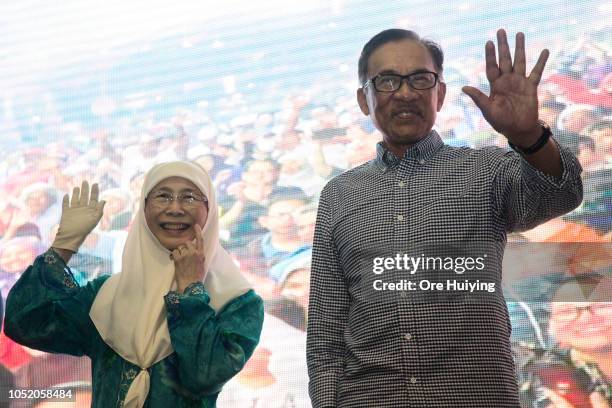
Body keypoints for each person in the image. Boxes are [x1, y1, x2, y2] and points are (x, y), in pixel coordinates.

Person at [307, 28, 584, 407]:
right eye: (388, 80)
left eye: (420, 79)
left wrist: (529, 136)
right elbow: (326, 328)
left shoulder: (486, 170)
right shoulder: (338, 195)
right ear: (364, 99)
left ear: (440, 93)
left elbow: (562, 191)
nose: (405, 93)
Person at [4, 161, 264, 407]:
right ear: (144, 211)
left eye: (190, 197)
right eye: (162, 197)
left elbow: (203, 374)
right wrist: (64, 245)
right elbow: (27, 325)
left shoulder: (237, 301)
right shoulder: (106, 294)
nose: (175, 208)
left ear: (209, 211)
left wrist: (190, 293)